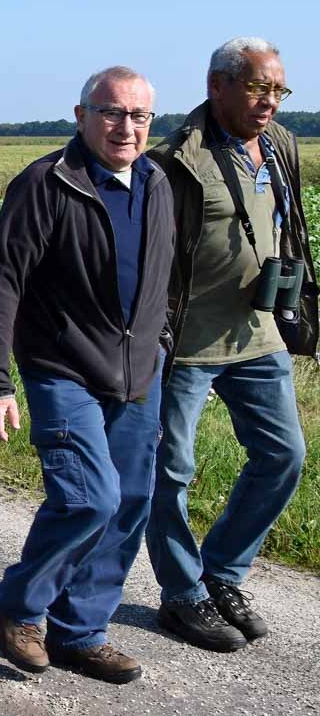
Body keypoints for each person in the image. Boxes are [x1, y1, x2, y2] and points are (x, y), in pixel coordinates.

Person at [0, 67, 174, 684]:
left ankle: (81, 632)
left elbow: (167, 277)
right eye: (112, 112)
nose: (126, 127)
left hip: (140, 373)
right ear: (81, 115)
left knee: (131, 504)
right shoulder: (47, 182)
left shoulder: (157, 181)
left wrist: (168, 348)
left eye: (139, 116)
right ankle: (19, 605)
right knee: (90, 498)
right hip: (63, 369)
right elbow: (4, 283)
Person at [144, 37, 315, 652]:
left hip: (258, 333)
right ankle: (182, 595)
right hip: (184, 341)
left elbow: (286, 224)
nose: (269, 101)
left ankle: (222, 573)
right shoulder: (174, 160)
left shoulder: (280, 143)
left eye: (278, 89)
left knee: (283, 457)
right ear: (216, 85)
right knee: (170, 471)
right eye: (257, 87)